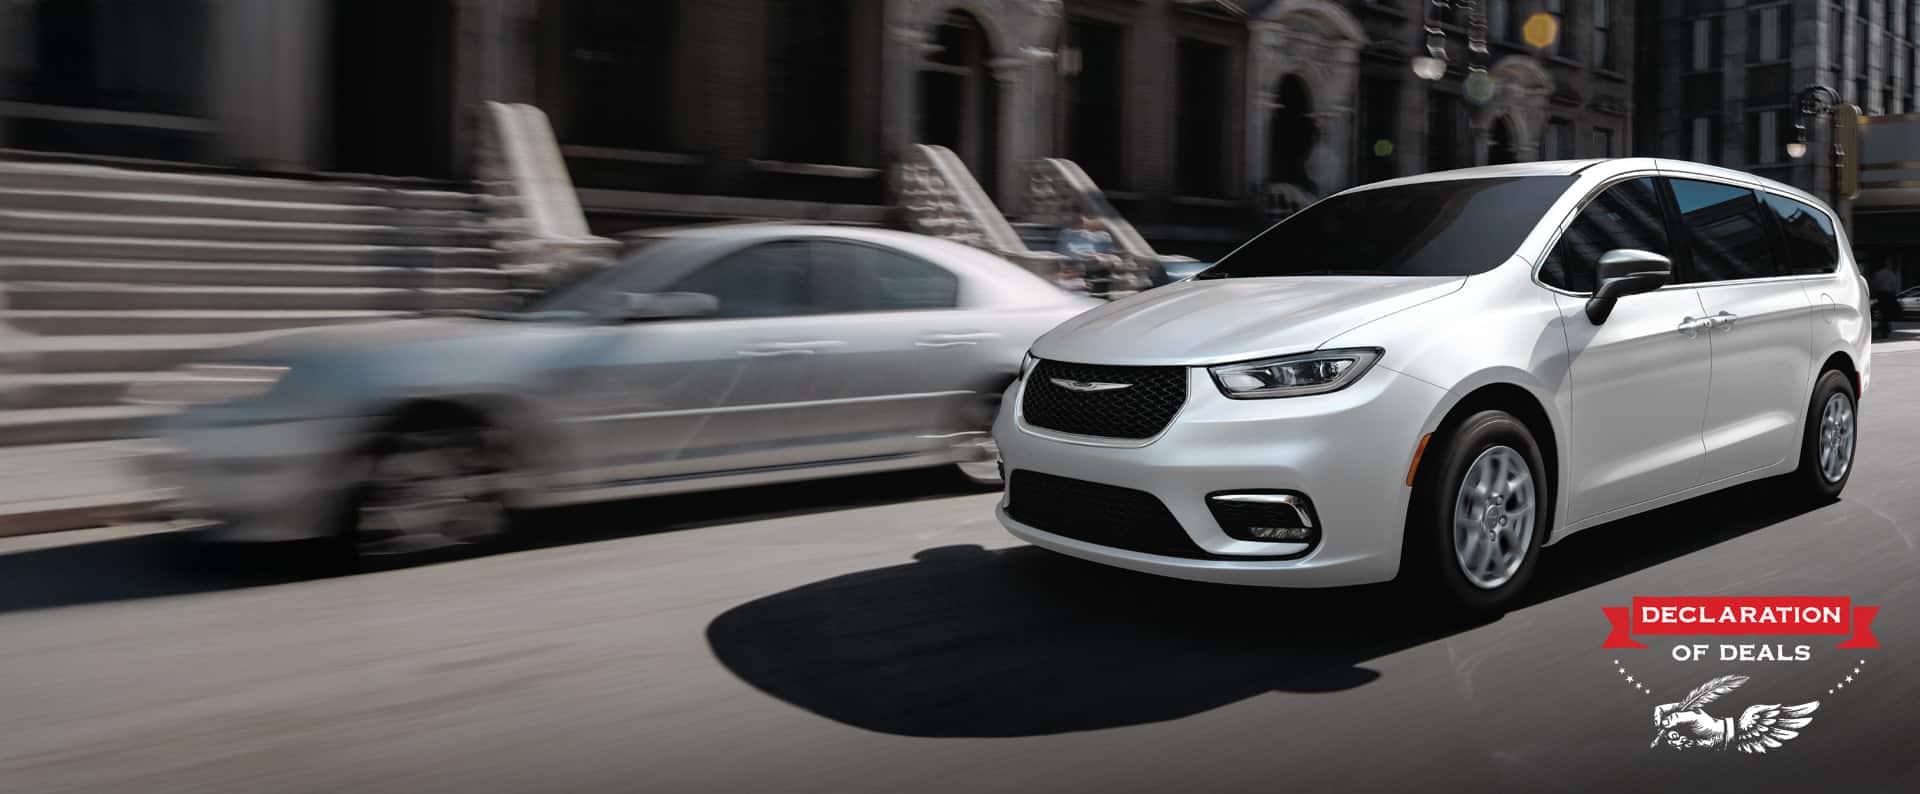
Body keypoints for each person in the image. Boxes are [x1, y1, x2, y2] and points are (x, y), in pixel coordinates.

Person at [1055, 214, 1119, 296]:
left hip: (1092, 265)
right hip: (1078, 263)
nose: (1083, 226)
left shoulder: (1101, 236)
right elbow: (1066, 252)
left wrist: (1098, 256)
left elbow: (1105, 252)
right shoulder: (1067, 234)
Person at [1870, 260, 1900, 340]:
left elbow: (1874, 284)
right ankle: (1886, 330)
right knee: (1887, 313)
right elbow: (1895, 286)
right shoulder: (1892, 274)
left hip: (1881, 295)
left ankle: (1883, 329)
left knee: (1882, 312)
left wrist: (1874, 294)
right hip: (1889, 295)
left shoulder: (1878, 273)